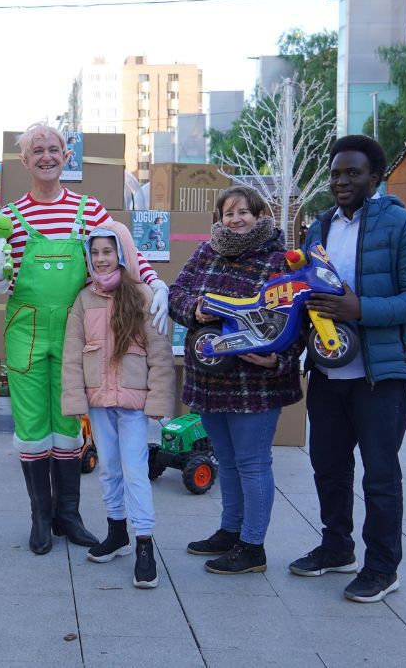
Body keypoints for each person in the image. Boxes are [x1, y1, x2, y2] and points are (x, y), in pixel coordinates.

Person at [0, 123, 171, 555]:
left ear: (68, 157)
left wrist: (156, 285)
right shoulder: (7, 217)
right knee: (31, 427)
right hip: (25, 334)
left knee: (68, 424)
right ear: (25, 161)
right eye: (37, 151)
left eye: (54, 149)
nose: (46, 156)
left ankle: (69, 516)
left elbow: (126, 257)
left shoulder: (91, 212)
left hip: (79, 335)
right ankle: (40, 518)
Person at [290, 134, 406, 603]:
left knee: (379, 474)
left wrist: (360, 308)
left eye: (352, 172)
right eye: (335, 173)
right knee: (327, 466)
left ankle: (382, 567)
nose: (341, 181)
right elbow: (305, 297)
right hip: (328, 372)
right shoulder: (319, 228)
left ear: (375, 177)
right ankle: (337, 548)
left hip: (381, 375)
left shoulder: (405, 227)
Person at [168, 186, 305, 575]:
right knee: (225, 460)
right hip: (209, 377)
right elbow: (177, 293)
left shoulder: (280, 261)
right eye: (228, 213)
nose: (236, 219)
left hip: (254, 383)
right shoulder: (206, 251)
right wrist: (194, 309)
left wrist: (278, 359)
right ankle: (230, 531)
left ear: (261, 215)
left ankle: (253, 547)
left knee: (252, 462)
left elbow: (299, 321)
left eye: (244, 212)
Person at [62, 223, 173, 588]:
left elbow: (159, 353)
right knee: (108, 468)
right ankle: (116, 531)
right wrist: (76, 398)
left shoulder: (141, 296)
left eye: (108, 251)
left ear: (122, 253)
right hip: (98, 399)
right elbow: (73, 354)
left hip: (133, 401)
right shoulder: (84, 299)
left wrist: (158, 398)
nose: (101, 259)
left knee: (135, 469)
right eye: (95, 253)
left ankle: (144, 542)